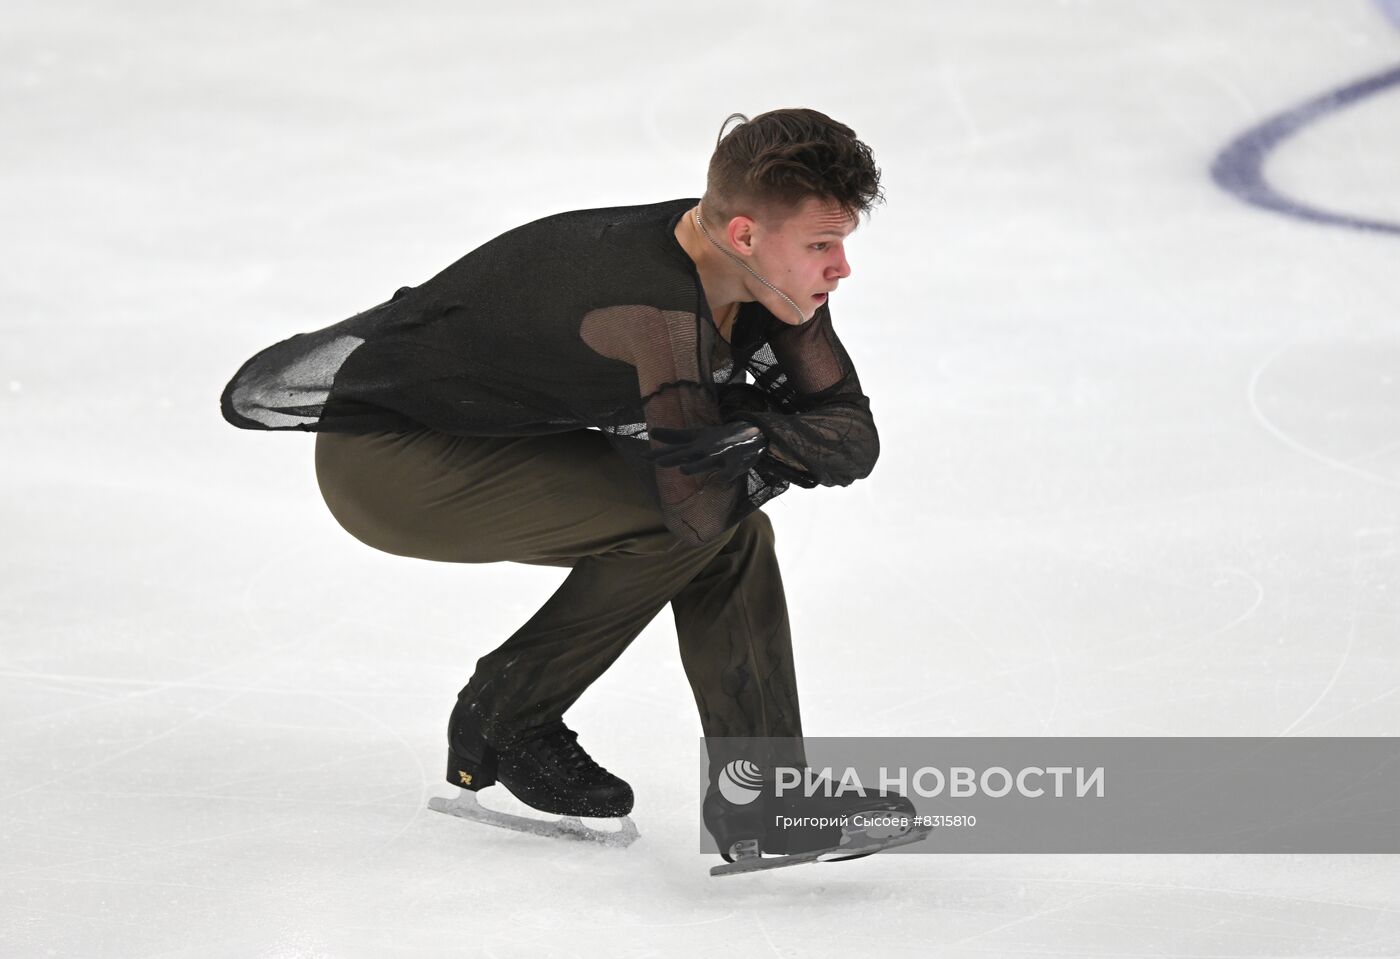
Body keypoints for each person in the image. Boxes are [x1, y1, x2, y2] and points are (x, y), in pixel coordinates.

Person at [219, 107, 885, 856]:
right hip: (389, 461)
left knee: (733, 533)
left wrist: (761, 433)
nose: (841, 267)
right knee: (709, 525)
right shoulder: (653, 306)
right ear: (745, 235)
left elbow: (853, 436)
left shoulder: (761, 277)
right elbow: (697, 510)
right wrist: (777, 443)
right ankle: (507, 714)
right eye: (823, 245)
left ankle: (768, 803)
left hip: (494, 437)